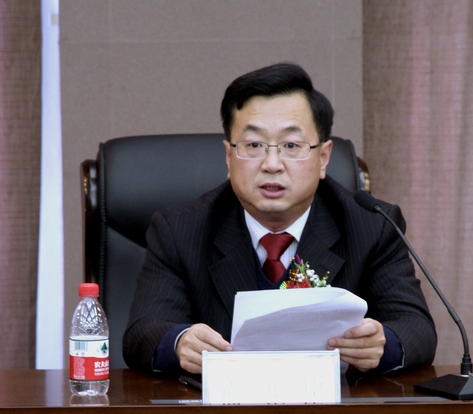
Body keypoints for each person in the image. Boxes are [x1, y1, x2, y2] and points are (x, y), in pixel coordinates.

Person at [123, 62, 437, 375]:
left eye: (290, 145)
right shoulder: (181, 230)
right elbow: (143, 331)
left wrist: (381, 344)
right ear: (229, 157)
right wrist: (180, 342)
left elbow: (416, 328)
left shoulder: (372, 226)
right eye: (254, 145)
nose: (272, 164)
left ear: (323, 157)